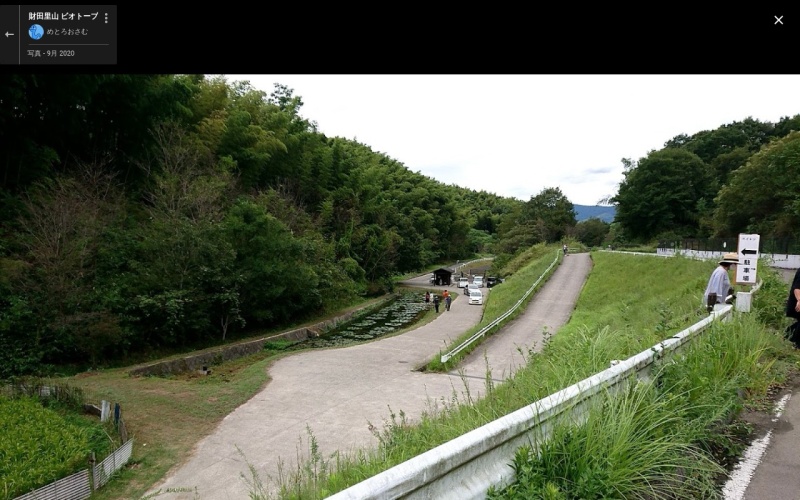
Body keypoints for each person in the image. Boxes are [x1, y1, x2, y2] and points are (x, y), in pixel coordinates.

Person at [785, 268, 800, 347]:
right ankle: (797, 344)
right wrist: (799, 300)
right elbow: (797, 288)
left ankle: (787, 335)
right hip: (797, 302)